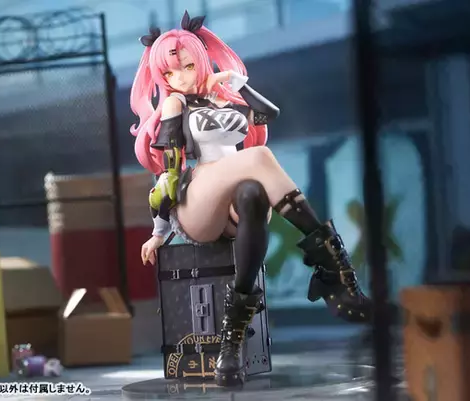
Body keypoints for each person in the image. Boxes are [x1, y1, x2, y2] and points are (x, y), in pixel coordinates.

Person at [131, 11, 372, 387]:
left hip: (234, 204)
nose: (182, 77)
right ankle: (335, 274)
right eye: (171, 73)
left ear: (202, 60)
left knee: (254, 192)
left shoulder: (221, 99)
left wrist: (238, 84)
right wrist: (159, 231)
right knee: (259, 159)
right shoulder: (175, 105)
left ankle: (231, 345)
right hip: (198, 203)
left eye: (189, 66)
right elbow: (172, 169)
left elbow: (266, 114)